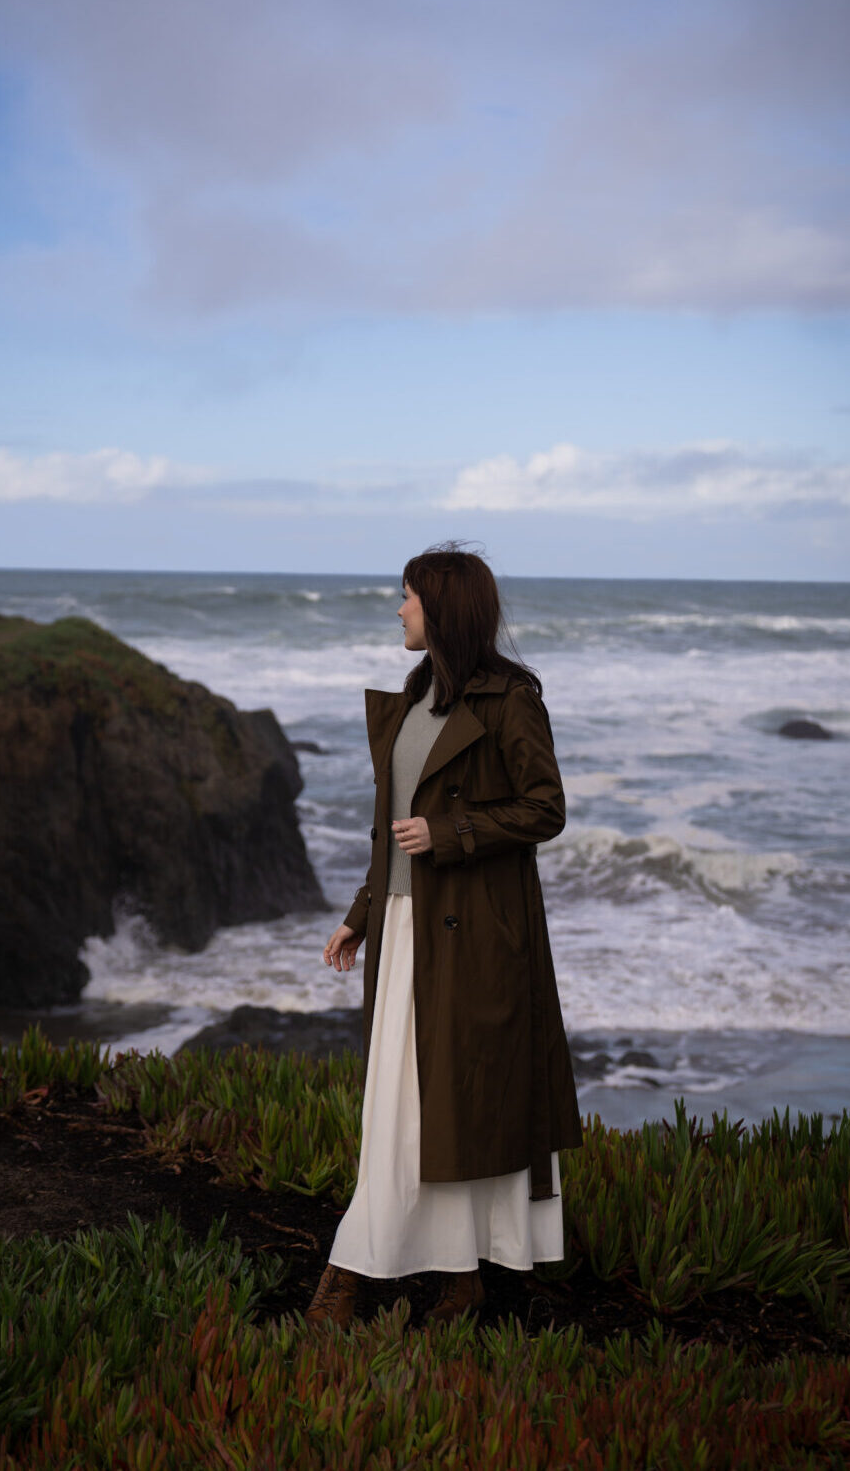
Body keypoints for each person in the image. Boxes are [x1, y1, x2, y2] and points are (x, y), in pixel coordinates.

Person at [305, 543, 583, 1329]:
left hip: (474, 942)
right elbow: (391, 832)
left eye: (408, 599)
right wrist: (361, 915)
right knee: (406, 1112)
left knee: (437, 1110)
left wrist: (454, 829)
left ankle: (351, 1275)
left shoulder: (510, 698)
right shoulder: (413, 694)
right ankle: (457, 1276)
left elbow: (546, 807)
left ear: (444, 610)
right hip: (404, 933)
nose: (398, 610)